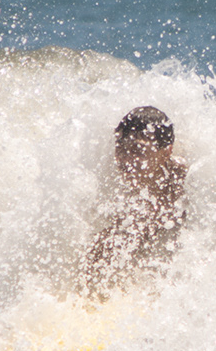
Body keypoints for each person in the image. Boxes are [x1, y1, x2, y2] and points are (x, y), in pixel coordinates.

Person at [79, 106, 187, 297]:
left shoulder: (184, 182)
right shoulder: (105, 175)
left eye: (137, 150)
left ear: (166, 152)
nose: (126, 159)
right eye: (121, 149)